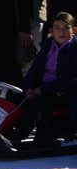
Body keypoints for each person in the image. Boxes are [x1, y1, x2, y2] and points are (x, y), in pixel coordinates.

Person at [9, 12, 76, 145]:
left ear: (73, 30)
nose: (61, 32)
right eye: (57, 28)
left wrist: (43, 89)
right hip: (43, 90)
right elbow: (34, 70)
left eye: (66, 28)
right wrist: (29, 87)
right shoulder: (47, 47)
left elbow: (72, 80)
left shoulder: (74, 49)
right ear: (51, 31)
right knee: (14, 99)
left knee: (39, 104)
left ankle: (16, 137)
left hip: (65, 93)